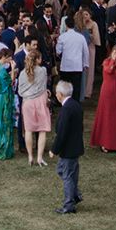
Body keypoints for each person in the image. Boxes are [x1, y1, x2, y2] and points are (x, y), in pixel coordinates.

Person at [49, 80, 84, 214]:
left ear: (60, 94)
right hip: (75, 146)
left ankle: (69, 204)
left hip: (68, 148)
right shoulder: (76, 105)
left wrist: (54, 149)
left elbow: (62, 132)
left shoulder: (66, 109)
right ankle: (75, 195)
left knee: (67, 174)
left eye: (57, 92)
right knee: (67, 172)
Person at [17, 47, 51, 165]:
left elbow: (20, 91)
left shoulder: (22, 74)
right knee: (42, 130)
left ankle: (30, 156)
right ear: (38, 59)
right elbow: (44, 86)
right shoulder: (43, 71)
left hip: (27, 103)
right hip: (41, 101)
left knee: (28, 130)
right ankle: (39, 157)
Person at [90, 43, 116, 152]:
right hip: (107, 92)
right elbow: (108, 70)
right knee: (106, 116)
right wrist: (113, 60)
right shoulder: (107, 62)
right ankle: (105, 143)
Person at [55, 16, 88, 102]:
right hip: (77, 66)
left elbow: (58, 51)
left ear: (66, 25)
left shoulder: (63, 37)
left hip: (66, 66)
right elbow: (86, 51)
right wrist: (85, 64)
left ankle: (64, 102)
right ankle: (75, 103)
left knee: (64, 87)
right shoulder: (81, 37)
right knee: (76, 88)